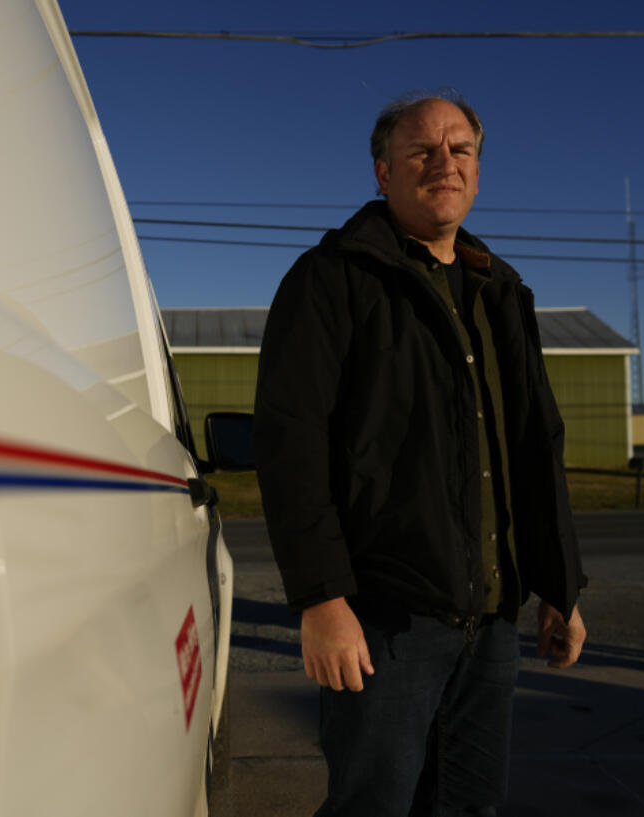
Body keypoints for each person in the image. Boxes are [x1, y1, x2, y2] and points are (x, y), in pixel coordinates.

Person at [252, 92, 588, 816]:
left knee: (469, 806)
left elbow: (536, 444)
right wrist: (321, 598)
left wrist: (560, 583)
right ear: (382, 171)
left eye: (460, 148)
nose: (445, 162)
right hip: (383, 623)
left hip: (492, 624)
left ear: (477, 168)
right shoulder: (331, 279)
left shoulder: (502, 292)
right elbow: (291, 442)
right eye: (421, 151)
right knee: (373, 805)